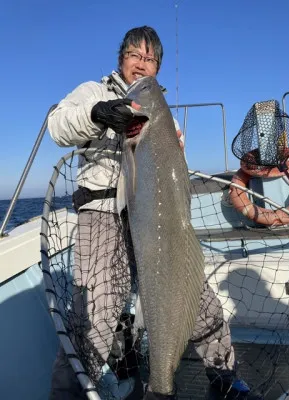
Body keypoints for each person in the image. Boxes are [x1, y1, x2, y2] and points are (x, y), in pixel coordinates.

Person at [47, 26, 262, 400]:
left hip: (158, 220)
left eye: (151, 59)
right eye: (135, 55)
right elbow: (57, 124)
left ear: (158, 68)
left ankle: (224, 378)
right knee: (94, 318)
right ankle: (68, 394)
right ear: (121, 58)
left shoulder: (164, 113)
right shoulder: (93, 92)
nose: (142, 64)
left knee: (198, 301)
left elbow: (173, 175)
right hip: (104, 215)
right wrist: (99, 114)